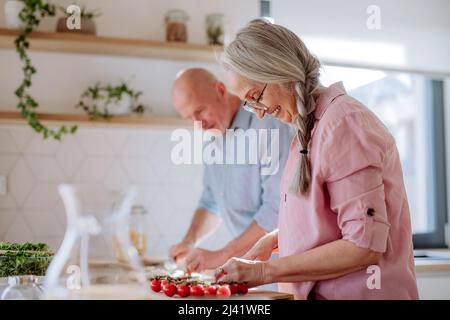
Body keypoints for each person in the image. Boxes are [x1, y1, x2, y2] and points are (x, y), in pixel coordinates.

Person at [215, 19, 419, 300]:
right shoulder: (308, 132)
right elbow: (327, 221)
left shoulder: (344, 123)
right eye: (250, 106)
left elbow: (364, 244)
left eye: (256, 97)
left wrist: (265, 272)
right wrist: (275, 239)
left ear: (279, 70)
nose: (259, 113)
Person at [170, 68, 292, 273]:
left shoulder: (267, 125)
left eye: (199, 111)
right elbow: (211, 202)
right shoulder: (212, 137)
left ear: (220, 90)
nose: (198, 124)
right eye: (189, 118)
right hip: (246, 269)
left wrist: (223, 256)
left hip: (279, 271)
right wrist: (189, 242)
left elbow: (278, 209)